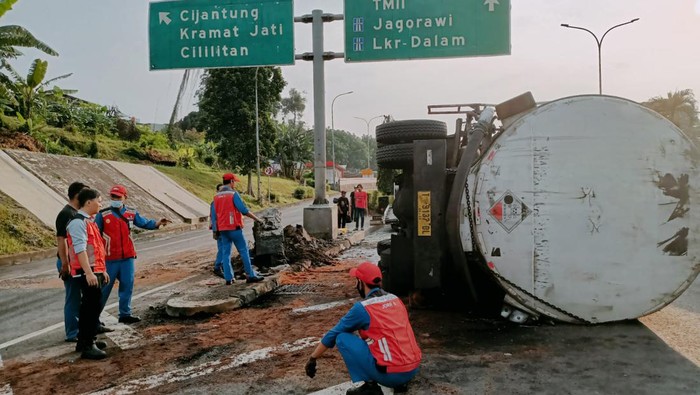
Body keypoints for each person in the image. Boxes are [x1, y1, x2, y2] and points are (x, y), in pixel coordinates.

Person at [304, 262, 421, 395]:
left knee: (342, 338)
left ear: (361, 282)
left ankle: (370, 386)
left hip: (391, 375)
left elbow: (333, 334)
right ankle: (401, 384)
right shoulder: (396, 299)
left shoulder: (363, 308)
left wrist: (312, 358)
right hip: (412, 368)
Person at [95, 185, 169, 324]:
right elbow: (95, 235)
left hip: (127, 257)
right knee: (104, 289)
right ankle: (95, 318)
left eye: (118, 197)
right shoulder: (103, 214)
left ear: (125, 197)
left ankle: (125, 314)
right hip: (109, 258)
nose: (115, 199)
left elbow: (144, 223)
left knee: (127, 285)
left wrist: (157, 223)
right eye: (113, 197)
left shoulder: (131, 213)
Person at [66, 188, 111, 360]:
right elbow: (80, 250)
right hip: (87, 272)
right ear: (89, 202)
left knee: (92, 307)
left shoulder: (88, 221)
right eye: (99, 200)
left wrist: (102, 270)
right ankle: (87, 344)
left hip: (94, 270)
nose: (100, 204)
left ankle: (86, 340)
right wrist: (89, 273)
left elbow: (97, 250)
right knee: (89, 308)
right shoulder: (78, 222)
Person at [211, 173, 265, 285]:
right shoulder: (233, 194)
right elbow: (243, 210)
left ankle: (228, 278)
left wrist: (215, 231)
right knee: (244, 251)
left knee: (226, 253)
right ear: (231, 182)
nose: (235, 184)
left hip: (223, 230)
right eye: (234, 182)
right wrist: (257, 219)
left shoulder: (216, 197)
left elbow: (214, 216)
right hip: (234, 229)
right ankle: (250, 275)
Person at [55, 181, 88, 342]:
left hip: (78, 262)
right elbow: (62, 240)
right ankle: (72, 332)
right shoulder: (66, 214)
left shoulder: (77, 213)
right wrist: (65, 264)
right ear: (77, 195)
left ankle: (88, 326)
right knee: (73, 297)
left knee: (85, 297)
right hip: (69, 263)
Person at [212, 183, 225, 278]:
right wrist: (215, 231)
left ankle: (222, 265)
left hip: (226, 228)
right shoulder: (215, 202)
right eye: (220, 190)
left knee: (225, 248)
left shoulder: (224, 201)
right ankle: (218, 266)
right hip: (219, 228)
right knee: (222, 248)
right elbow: (213, 217)